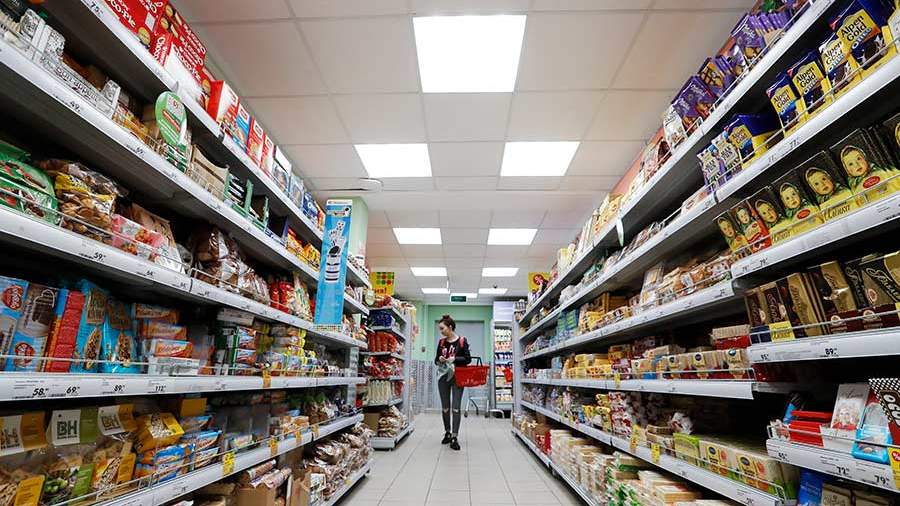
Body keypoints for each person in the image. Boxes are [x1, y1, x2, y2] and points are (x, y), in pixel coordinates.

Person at [434, 314, 471, 451]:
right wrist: (440, 359)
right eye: (440, 329)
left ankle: (455, 436)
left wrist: (454, 359)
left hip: (458, 377)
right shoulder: (441, 343)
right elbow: (435, 360)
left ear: (450, 327)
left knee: (456, 407)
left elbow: (467, 359)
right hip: (443, 378)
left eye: (442, 328)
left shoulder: (462, 341)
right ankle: (447, 432)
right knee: (445, 407)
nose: (441, 331)